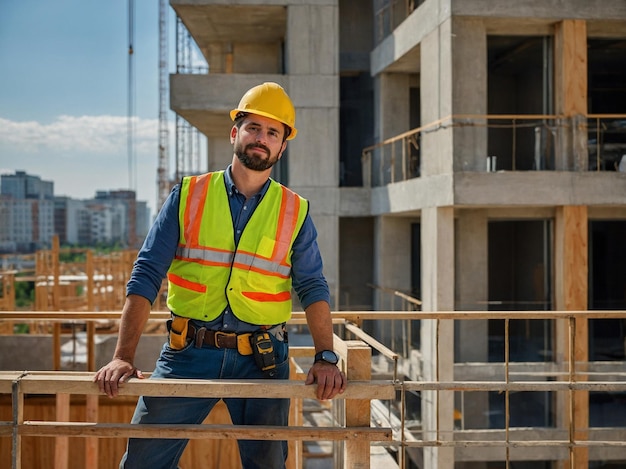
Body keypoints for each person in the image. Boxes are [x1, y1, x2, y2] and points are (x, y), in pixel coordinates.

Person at [93, 82, 346, 469]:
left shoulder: (295, 210)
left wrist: (326, 356)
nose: (261, 139)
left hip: (262, 360)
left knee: (267, 466)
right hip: (187, 352)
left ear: (282, 146)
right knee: (142, 463)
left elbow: (312, 286)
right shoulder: (189, 194)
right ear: (235, 133)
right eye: (253, 128)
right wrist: (123, 356)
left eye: (272, 133)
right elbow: (146, 273)